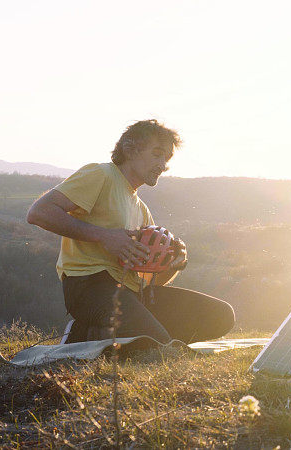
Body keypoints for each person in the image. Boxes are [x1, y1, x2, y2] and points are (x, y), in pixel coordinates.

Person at [27, 119, 234, 344]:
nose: (163, 165)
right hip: (89, 288)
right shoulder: (101, 174)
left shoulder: (142, 210)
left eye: (166, 158)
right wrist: (104, 236)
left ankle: (106, 332)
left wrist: (172, 264)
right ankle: (96, 332)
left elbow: (147, 282)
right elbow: (39, 212)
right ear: (130, 149)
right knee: (157, 344)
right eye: (157, 154)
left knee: (221, 316)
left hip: (131, 293)